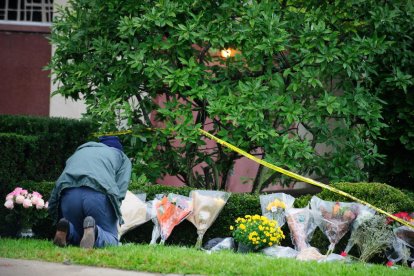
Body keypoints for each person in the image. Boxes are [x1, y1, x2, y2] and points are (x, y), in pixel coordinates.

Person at [48, 136, 132, 248]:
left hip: (68, 195)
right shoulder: (121, 156)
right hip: (97, 195)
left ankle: (67, 228)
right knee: (112, 239)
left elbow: (58, 185)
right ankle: (95, 231)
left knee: (78, 231)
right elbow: (121, 189)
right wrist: (115, 211)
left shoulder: (80, 152)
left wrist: (54, 215)